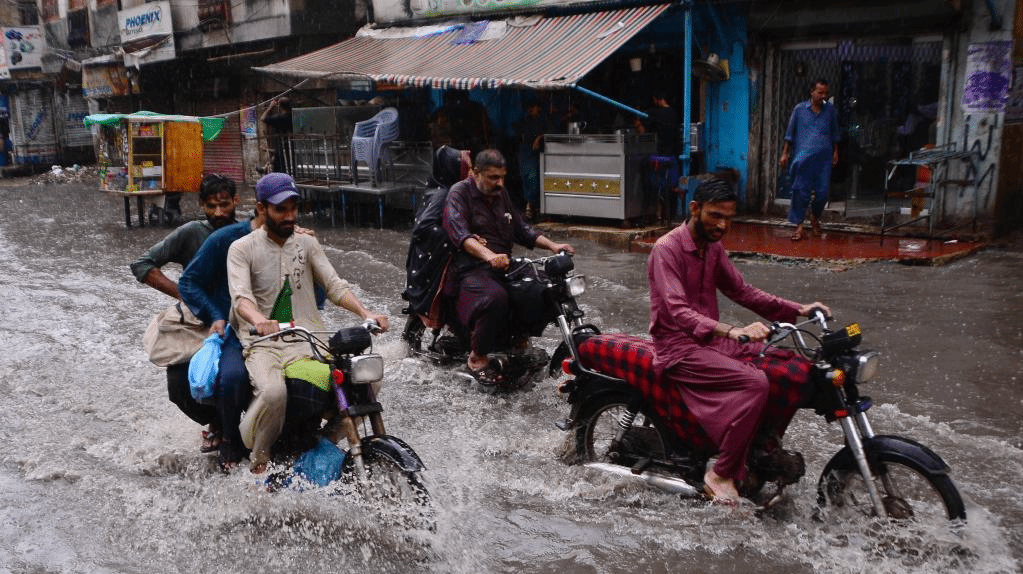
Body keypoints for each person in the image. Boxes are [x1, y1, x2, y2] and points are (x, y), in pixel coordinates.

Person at [647, 178, 830, 503]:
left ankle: (759, 449)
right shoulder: (666, 250)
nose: (722, 225)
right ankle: (720, 473)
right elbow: (678, 311)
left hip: (712, 342)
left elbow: (742, 291)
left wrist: (799, 309)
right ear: (695, 208)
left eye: (729, 219)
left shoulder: (713, 248)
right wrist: (732, 330)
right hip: (678, 348)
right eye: (715, 216)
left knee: (787, 368)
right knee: (754, 383)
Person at [227, 172, 390, 473]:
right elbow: (241, 299)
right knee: (274, 393)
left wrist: (367, 314)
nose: (290, 216)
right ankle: (260, 462)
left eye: (294, 208)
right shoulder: (241, 249)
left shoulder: (306, 243)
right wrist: (261, 320)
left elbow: (334, 285)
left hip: (309, 341)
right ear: (261, 209)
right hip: (265, 344)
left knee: (369, 379)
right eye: (281, 209)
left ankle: (326, 440)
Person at [442, 149, 574, 384]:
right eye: (493, 177)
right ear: (476, 173)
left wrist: (553, 246)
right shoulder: (459, 194)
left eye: (502, 177)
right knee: (496, 298)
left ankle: (518, 338)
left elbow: (522, 229)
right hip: (470, 269)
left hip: (504, 264)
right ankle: (477, 356)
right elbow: (461, 235)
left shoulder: (501, 195)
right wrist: (489, 255)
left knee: (545, 287)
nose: (500, 183)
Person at [131, 174, 239, 452]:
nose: (218, 212)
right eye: (211, 206)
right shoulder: (192, 233)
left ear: (236, 202)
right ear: (201, 204)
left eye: (224, 205)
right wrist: (185, 294)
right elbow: (143, 264)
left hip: (242, 320)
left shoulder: (248, 230)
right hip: (200, 324)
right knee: (178, 386)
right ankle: (216, 423)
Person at [780, 79, 841, 241]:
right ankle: (799, 226)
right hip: (803, 158)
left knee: (822, 193)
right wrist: (785, 153)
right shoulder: (799, 110)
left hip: (824, 159)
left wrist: (836, 152)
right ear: (812, 92)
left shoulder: (830, 111)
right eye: (820, 92)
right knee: (800, 191)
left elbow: (835, 133)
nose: (823, 96)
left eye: (825, 93)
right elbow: (789, 134)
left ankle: (814, 216)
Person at [513, 97, 546, 220]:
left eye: (535, 107)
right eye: (530, 108)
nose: (533, 110)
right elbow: (517, 132)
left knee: (534, 179)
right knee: (526, 179)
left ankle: (531, 206)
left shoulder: (543, 121)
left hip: (535, 155)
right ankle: (531, 207)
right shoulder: (524, 122)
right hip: (525, 154)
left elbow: (551, 131)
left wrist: (539, 138)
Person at [261, 96, 293, 173]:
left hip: (281, 150)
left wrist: (270, 107)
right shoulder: (292, 116)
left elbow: (263, 118)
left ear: (279, 106)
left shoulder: (279, 118)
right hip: (291, 148)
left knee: (281, 170)